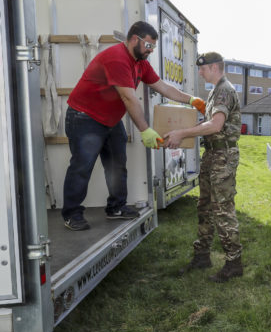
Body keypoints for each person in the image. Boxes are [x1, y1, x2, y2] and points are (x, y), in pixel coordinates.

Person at [62, 21, 206, 231]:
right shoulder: (117, 58)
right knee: (82, 167)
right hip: (84, 118)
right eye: (148, 46)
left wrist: (191, 99)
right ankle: (72, 214)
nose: (150, 51)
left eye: (153, 47)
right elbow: (129, 98)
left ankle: (116, 208)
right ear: (134, 39)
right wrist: (145, 129)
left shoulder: (140, 62)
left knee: (117, 165)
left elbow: (162, 86)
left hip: (109, 120)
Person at [166, 52, 243, 283]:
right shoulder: (214, 92)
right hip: (212, 154)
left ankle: (234, 263)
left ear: (214, 68)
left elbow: (216, 125)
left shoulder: (224, 90)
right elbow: (209, 124)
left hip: (223, 156)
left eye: (203, 69)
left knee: (222, 210)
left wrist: (183, 133)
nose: (200, 73)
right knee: (205, 207)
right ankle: (202, 256)